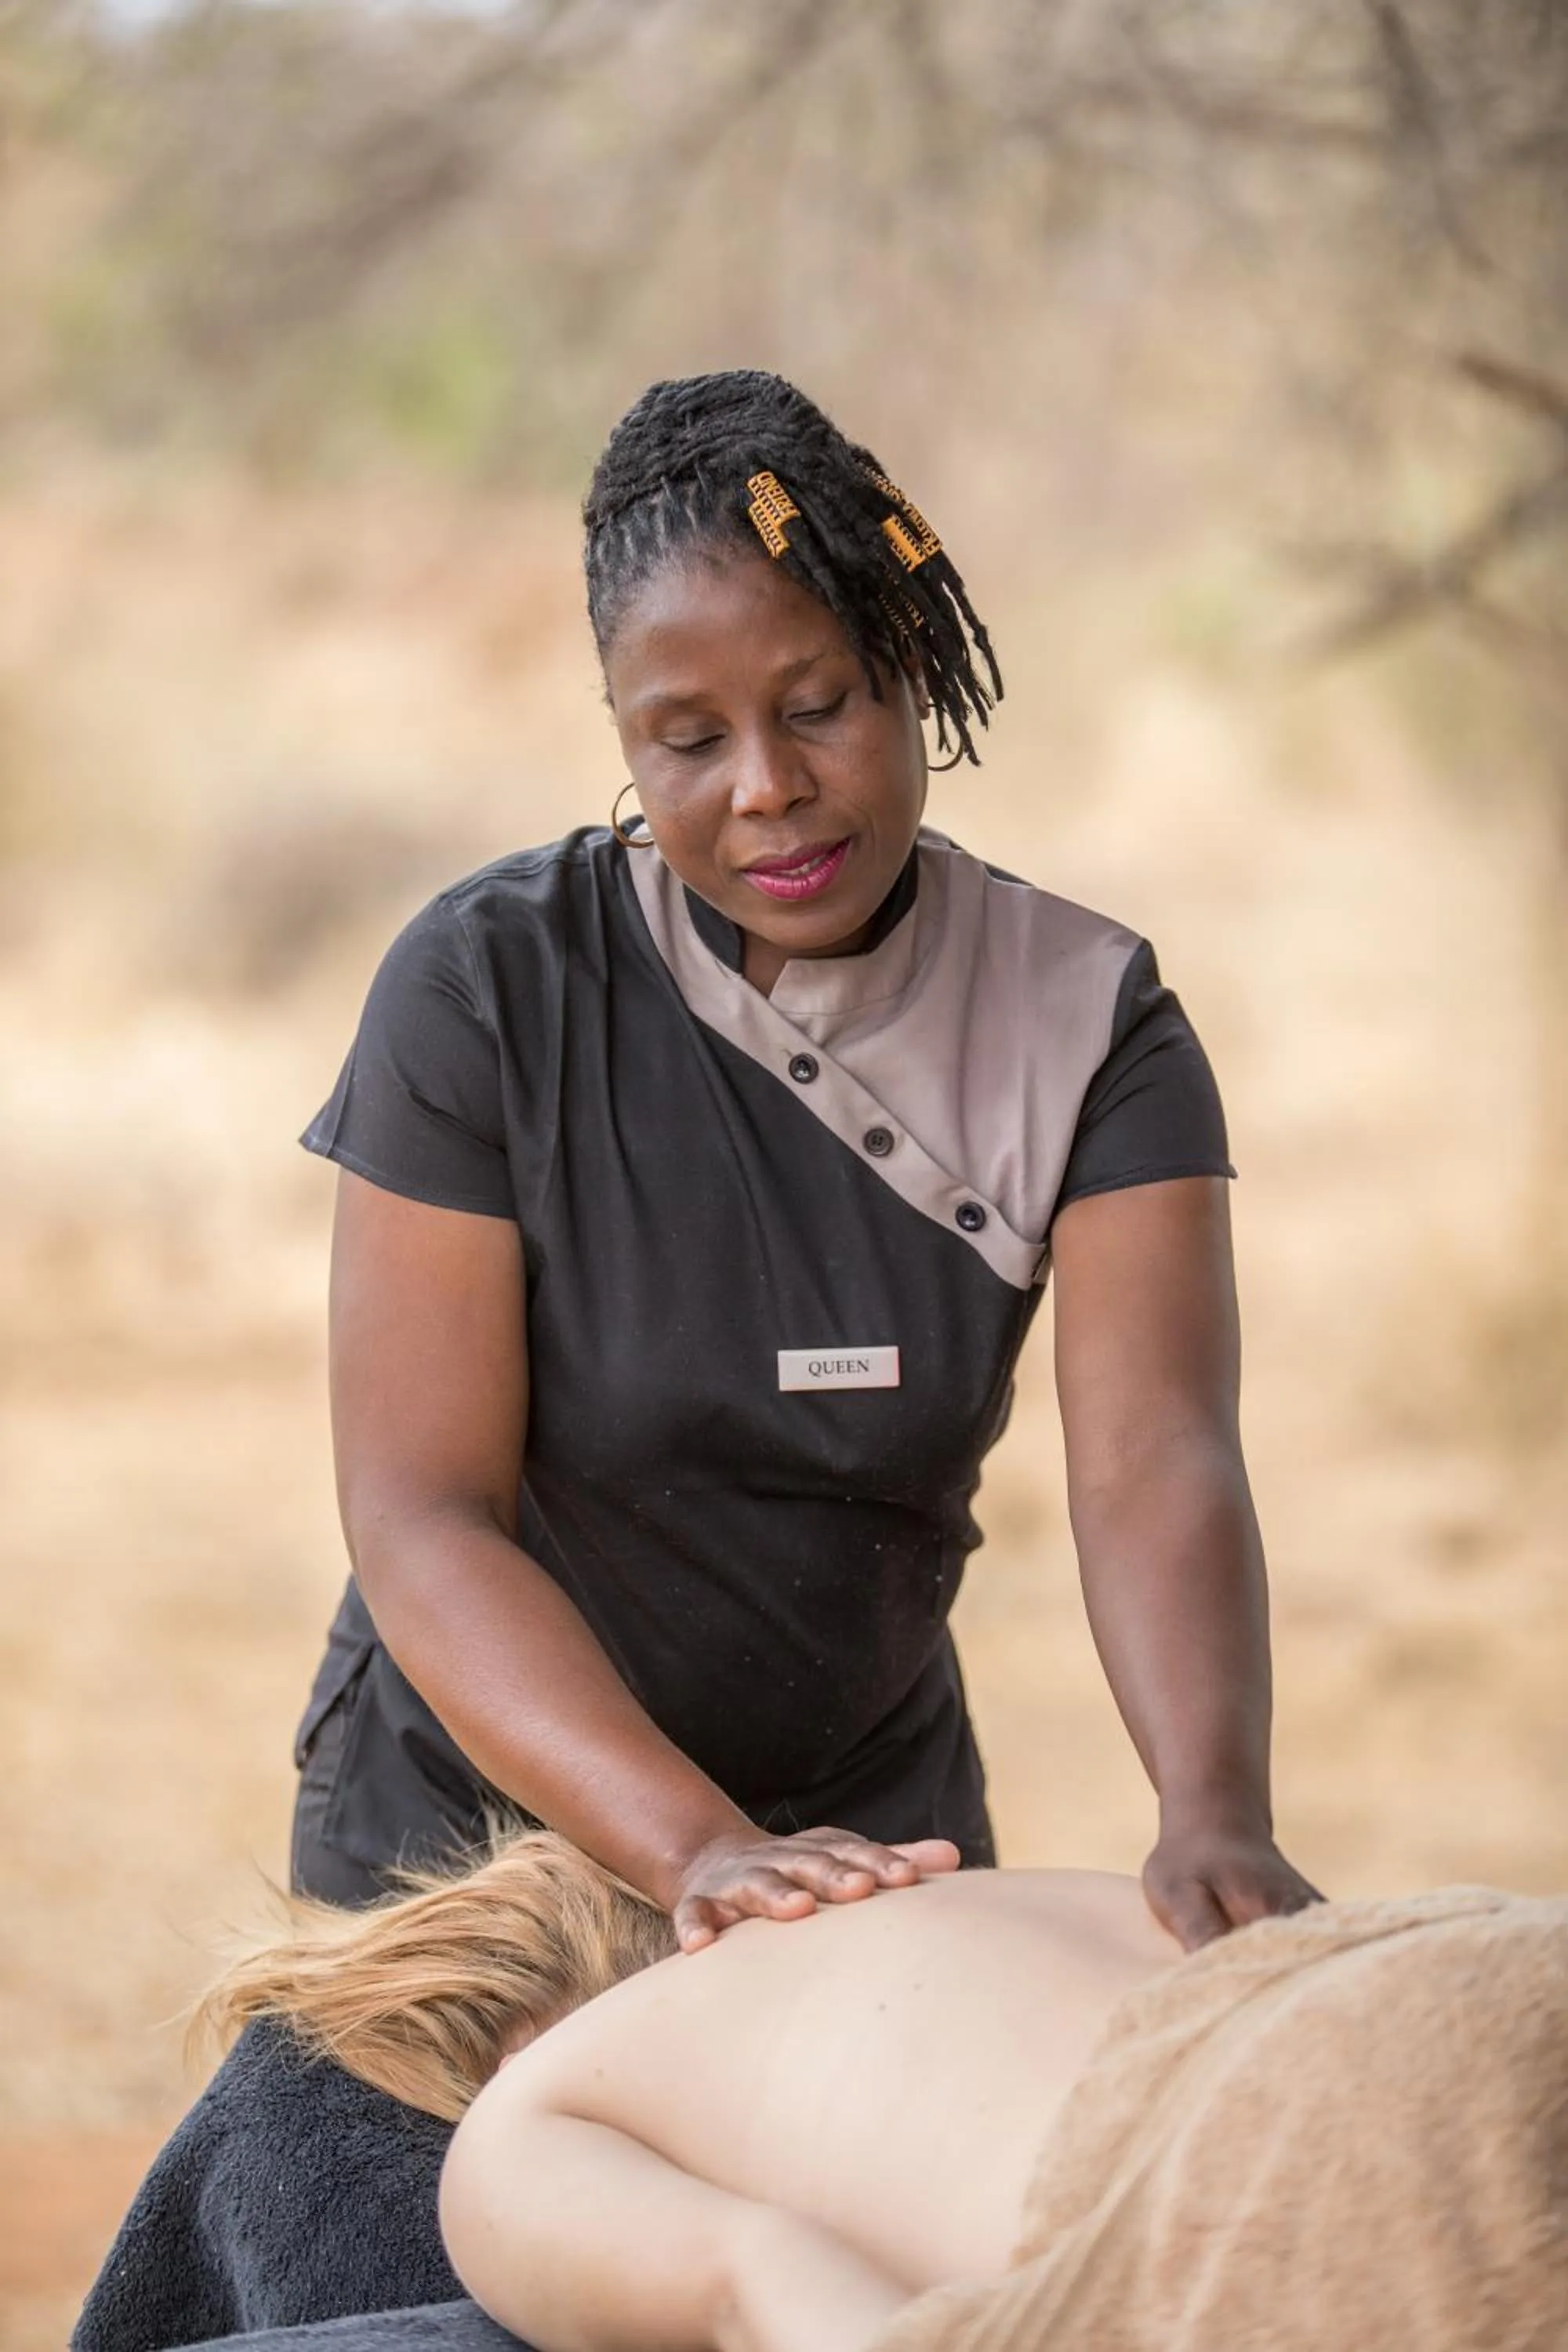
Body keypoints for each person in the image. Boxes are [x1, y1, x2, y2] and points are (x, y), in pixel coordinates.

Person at [292, 365, 1318, 1952]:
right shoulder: (488, 989)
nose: (764, 786)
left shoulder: (1085, 1023)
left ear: (908, 657)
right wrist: (692, 1847)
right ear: (624, 736)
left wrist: (1210, 1808)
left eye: (816, 705)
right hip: (475, 1855)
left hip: (868, 1845)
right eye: (686, 738)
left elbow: (1151, 1456)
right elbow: (422, 1513)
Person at [92, 1830, 1568, 2352]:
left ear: (469, 2056)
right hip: (1464, 1955)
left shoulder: (527, 2115)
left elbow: (763, 2283)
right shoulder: (916, 1889)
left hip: (1281, 2163)